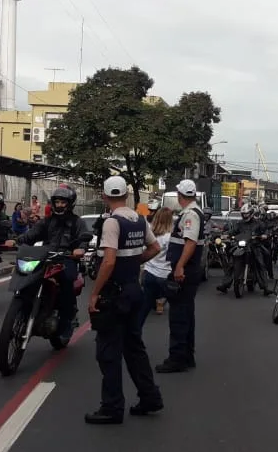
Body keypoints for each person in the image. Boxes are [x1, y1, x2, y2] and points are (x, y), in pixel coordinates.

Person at [85, 176, 163, 424]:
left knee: (108, 352)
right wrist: (133, 262)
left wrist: (95, 292)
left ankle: (112, 407)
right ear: (127, 195)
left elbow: (108, 261)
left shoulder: (112, 222)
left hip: (115, 294)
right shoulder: (140, 219)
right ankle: (150, 398)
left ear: (105, 196)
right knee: (134, 348)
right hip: (134, 291)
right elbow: (154, 249)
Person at [11, 186, 87, 347]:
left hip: (67, 258)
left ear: (70, 204)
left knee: (67, 280)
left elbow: (84, 237)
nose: (59, 205)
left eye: (63, 202)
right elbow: (31, 235)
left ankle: (67, 318)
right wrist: (18, 240)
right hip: (46, 256)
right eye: (57, 201)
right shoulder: (47, 222)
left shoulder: (76, 222)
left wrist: (81, 248)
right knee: (29, 277)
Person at [157, 179, 206, 374]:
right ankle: (186, 356)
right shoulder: (193, 212)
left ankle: (177, 358)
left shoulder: (190, 215)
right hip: (189, 270)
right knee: (186, 315)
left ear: (180, 196)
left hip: (185, 272)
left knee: (178, 316)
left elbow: (190, 243)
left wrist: (179, 266)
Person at [216, 204, 262, 294]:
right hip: (241, 245)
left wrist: (264, 235)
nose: (245, 215)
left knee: (260, 262)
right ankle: (224, 285)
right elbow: (233, 231)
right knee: (231, 263)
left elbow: (264, 230)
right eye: (243, 214)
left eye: (246, 214)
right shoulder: (239, 223)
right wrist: (227, 234)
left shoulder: (258, 223)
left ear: (251, 213)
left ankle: (265, 287)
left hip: (253, 245)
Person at [139, 209, 175, 325]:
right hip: (165, 274)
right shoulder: (171, 237)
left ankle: (134, 336)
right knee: (177, 310)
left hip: (149, 273)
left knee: (143, 310)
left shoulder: (150, 234)